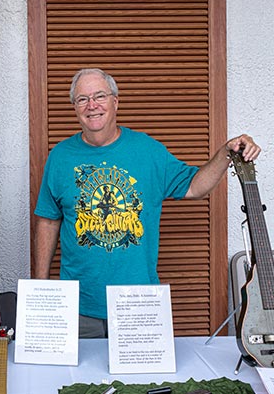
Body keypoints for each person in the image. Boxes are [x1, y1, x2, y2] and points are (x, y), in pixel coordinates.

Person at [32, 68, 261, 338]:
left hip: (138, 304)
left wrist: (225, 153)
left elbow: (195, 187)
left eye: (99, 96)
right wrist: (41, 288)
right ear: (75, 107)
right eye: (82, 99)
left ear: (115, 102)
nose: (92, 105)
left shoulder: (147, 150)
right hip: (79, 306)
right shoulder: (60, 157)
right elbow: (48, 221)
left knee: (144, 369)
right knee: (77, 369)